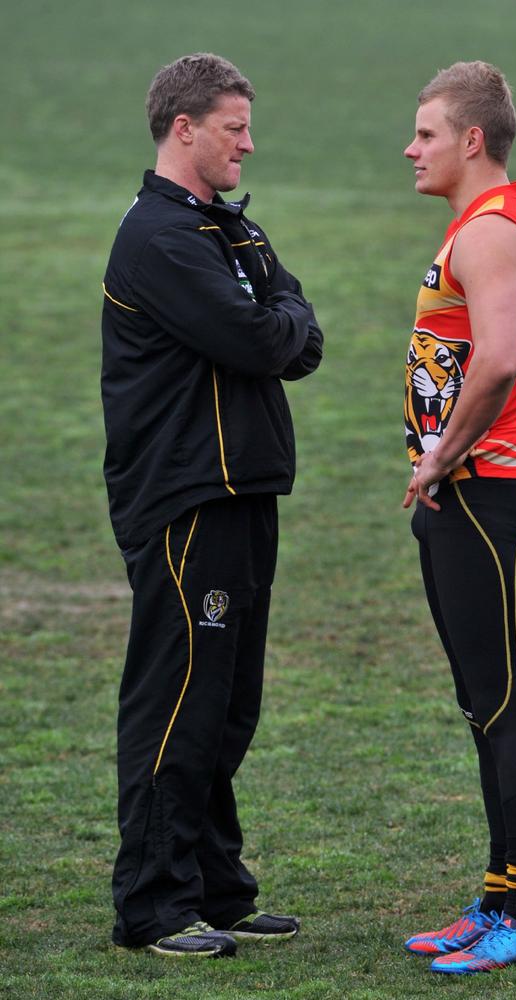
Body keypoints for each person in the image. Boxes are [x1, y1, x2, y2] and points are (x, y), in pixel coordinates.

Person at [101, 53, 323, 958]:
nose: (249, 143)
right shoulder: (161, 238)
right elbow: (259, 332)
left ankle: (218, 889)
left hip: (241, 493)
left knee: (228, 704)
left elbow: (298, 335)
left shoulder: (227, 229)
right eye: (235, 126)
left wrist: (279, 321)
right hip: (187, 499)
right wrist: (277, 321)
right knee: (181, 699)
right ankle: (151, 906)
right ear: (183, 129)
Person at [400, 61, 516, 975]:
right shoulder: (485, 225)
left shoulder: (490, 233)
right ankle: (500, 893)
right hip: (468, 491)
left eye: (425, 133)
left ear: (471, 140)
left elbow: (497, 359)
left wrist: (443, 453)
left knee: (507, 709)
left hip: (482, 491)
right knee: (483, 706)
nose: (410, 148)